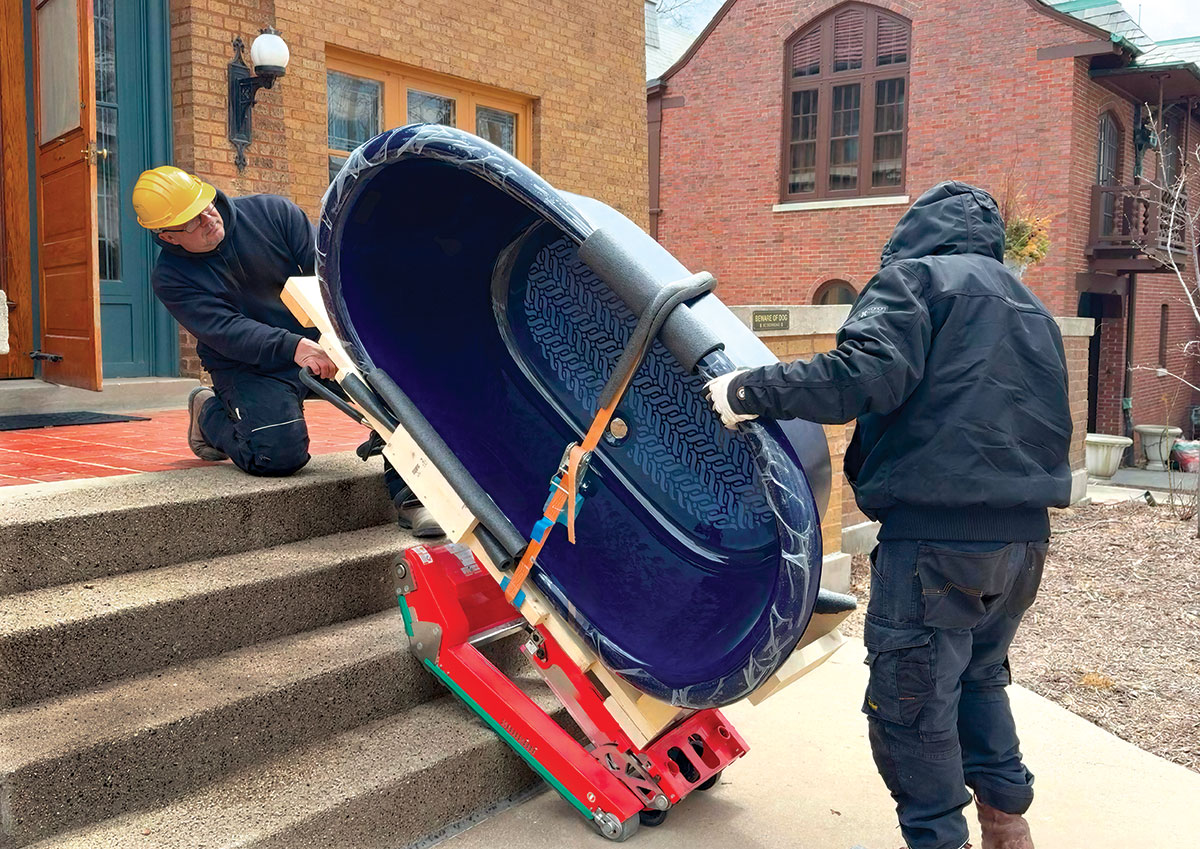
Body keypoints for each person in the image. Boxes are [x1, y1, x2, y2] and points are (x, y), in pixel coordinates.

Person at [706, 182, 1071, 849]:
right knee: (978, 677)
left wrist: (745, 391)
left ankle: (940, 838)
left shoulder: (918, 279)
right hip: (1022, 544)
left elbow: (863, 374)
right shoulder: (1031, 306)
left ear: (916, 231)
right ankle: (1007, 825)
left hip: (937, 541)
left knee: (911, 709)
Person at [131, 165, 441, 537]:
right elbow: (226, 331)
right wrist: (293, 346)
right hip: (248, 364)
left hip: (322, 347)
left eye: (205, 205)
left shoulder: (273, 214)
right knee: (277, 455)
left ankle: (413, 497)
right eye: (191, 222)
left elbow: (328, 274)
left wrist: (343, 340)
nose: (206, 218)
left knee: (399, 391)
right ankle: (209, 414)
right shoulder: (171, 278)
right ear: (167, 235)